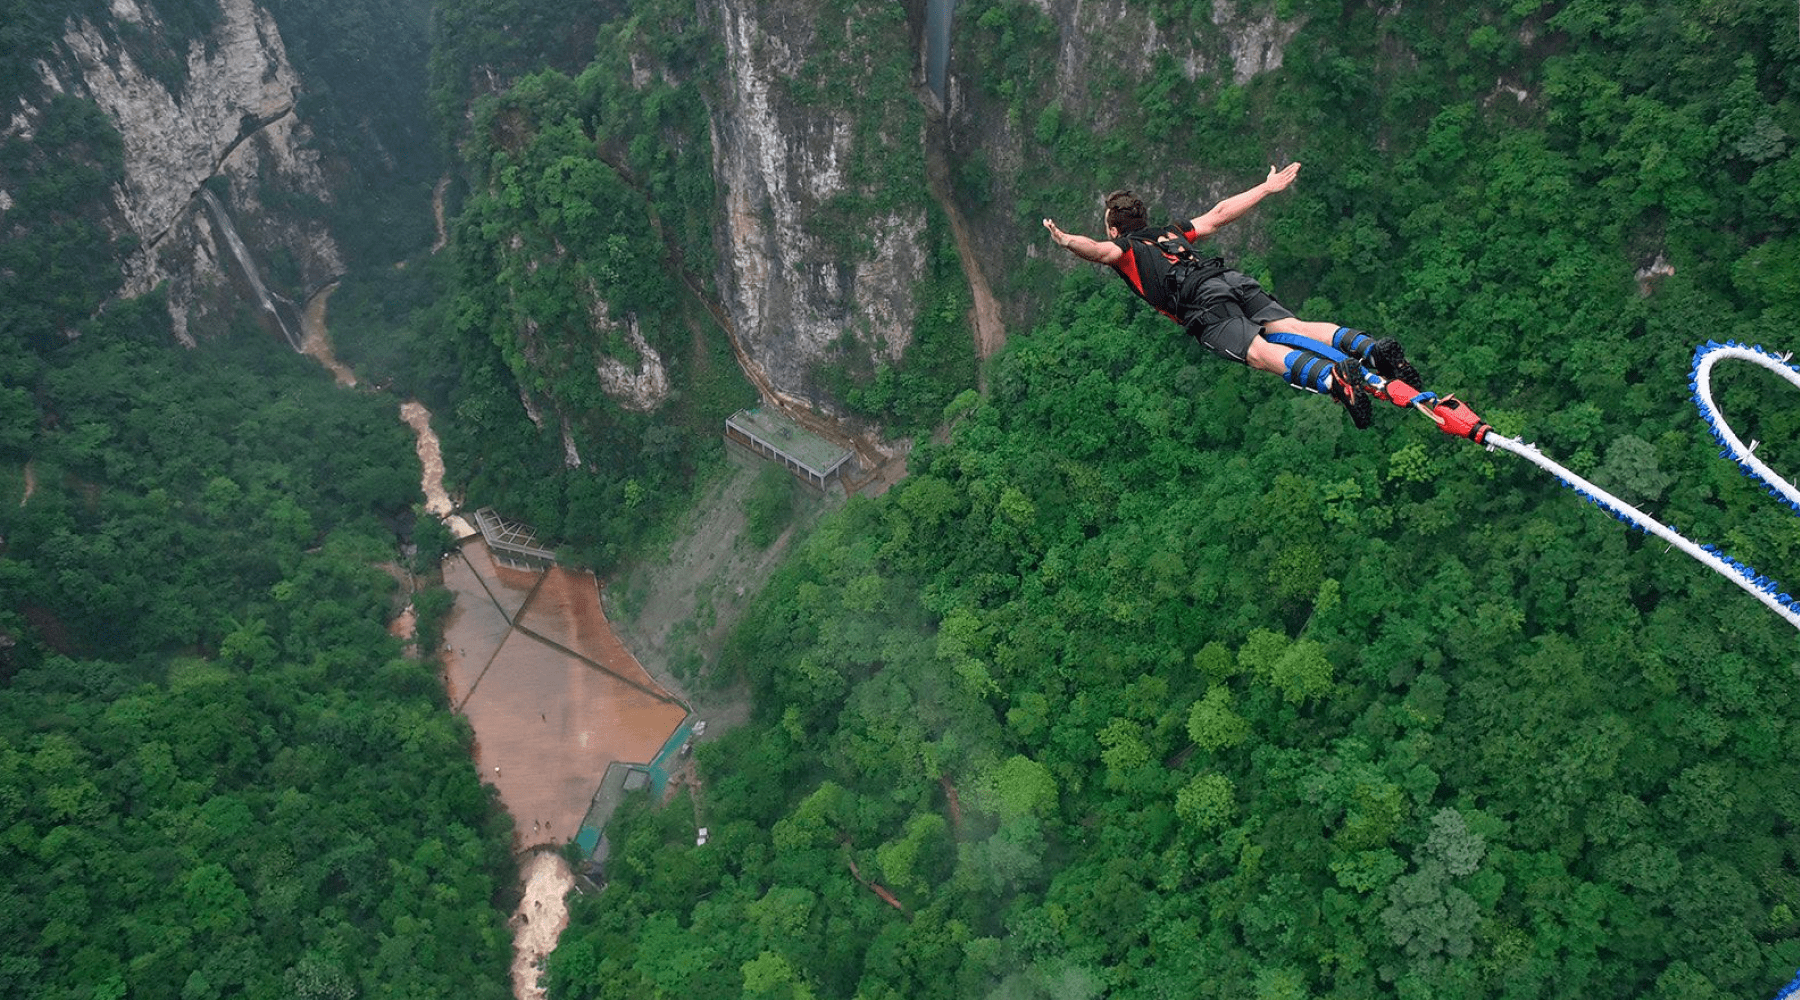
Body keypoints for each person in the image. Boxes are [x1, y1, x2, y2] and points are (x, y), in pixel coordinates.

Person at [1042, 163, 1422, 429]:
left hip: (1201, 303)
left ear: (1114, 229)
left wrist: (1066, 242)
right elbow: (1220, 213)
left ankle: (1334, 378)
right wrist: (1266, 188)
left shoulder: (1124, 251)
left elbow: (1096, 250)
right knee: (1292, 325)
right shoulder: (1172, 232)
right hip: (1227, 278)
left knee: (1257, 352)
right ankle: (1370, 348)